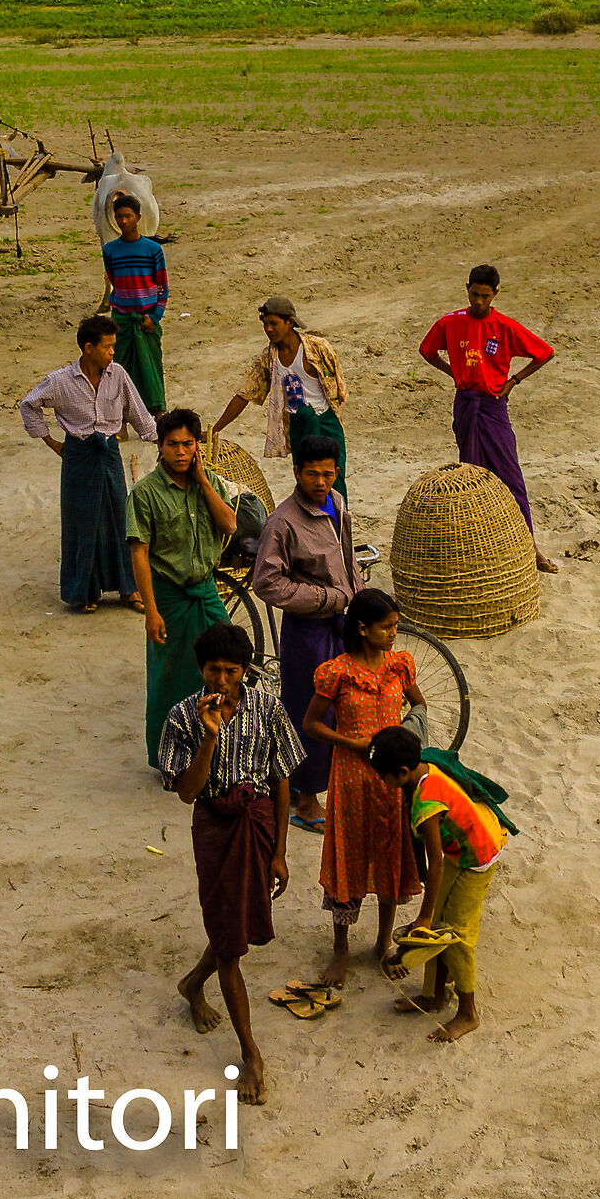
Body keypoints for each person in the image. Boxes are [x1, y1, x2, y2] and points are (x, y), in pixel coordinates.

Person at [161, 621, 303, 1109]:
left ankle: (192, 982)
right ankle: (251, 1054)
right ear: (200, 670)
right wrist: (208, 738)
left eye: (231, 671)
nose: (221, 680)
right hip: (214, 827)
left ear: (245, 671)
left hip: (259, 822)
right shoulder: (182, 717)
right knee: (229, 939)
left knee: (233, 924)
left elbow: (282, 778)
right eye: (213, 670)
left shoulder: (266, 706)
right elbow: (186, 792)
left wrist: (280, 851)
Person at [302, 588, 424, 988]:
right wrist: (354, 743)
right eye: (386, 627)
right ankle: (340, 950)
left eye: (394, 626)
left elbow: (419, 707)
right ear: (362, 628)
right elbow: (312, 725)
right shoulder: (337, 672)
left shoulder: (399, 667)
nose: (394, 633)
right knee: (349, 858)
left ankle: (382, 943)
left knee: (391, 854)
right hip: (351, 779)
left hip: (391, 782)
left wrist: (401, 740)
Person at [249, 434, 359, 832]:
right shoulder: (282, 523)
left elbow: (347, 557)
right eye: (311, 474)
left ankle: (330, 786)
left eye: (327, 475)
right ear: (296, 472)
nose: (320, 482)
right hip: (307, 630)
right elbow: (267, 583)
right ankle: (304, 800)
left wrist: (355, 598)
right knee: (309, 710)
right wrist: (323, 597)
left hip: (341, 622)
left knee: (345, 704)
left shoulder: (338, 504)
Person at [373, 727, 510, 1043]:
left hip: (477, 855)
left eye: (384, 777)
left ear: (403, 772)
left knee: (455, 933)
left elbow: (434, 862)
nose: (383, 782)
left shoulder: (425, 804)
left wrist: (424, 915)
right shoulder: (426, 763)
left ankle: (468, 1012)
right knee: (436, 926)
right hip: (466, 842)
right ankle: (434, 995)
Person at [418, 263, 556, 572]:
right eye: (473, 294)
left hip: (494, 406)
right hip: (466, 403)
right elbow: (427, 351)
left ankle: (530, 548)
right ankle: (477, 551)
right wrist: (452, 371)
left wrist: (513, 381)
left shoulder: (505, 326)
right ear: (466, 289)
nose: (478, 301)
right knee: (470, 476)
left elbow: (544, 353)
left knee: (510, 476)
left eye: (485, 296)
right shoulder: (450, 322)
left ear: (495, 294)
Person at [128, 408, 241, 768]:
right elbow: (140, 554)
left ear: (197, 447)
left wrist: (204, 482)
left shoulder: (207, 484)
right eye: (173, 444)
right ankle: (166, 756)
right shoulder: (144, 494)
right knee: (169, 678)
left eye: (188, 444)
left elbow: (229, 524)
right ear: (160, 447)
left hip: (206, 591)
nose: (181, 452)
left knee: (224, 667)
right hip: (169, 596)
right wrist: (151, 611)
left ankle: (215, 748)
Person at [21, 316, 156, 612]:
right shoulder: (59, 381)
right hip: (78, 458)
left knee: (122, 519)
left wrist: (163, 439)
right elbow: (28, 404)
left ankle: (128, 589)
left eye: (113, 347)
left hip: (109, 455)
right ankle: (85, 592)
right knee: (82, 523)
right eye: (107, 347)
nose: (112, 353)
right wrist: (52, 442)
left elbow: (139, 415)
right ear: (88, 348)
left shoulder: (118, 374)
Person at [212, 296, 348, 497]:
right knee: (309, 484)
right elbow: (243, 395)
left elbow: (338, 389)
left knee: (335, 481)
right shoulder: (268, 359)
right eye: (265, 325)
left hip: (327, 421)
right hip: (299, 425)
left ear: (290, 322)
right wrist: (215, 429)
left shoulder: (318, 348)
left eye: (273, 324)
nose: (269, 329)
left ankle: (339, 526)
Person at [101, 194, 169, 415]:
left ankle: (157, 413)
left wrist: (154, 316)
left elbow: (162, 287)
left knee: (151, 369)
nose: (123, 222)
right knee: (118, 368)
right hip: (120, 319)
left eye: (128, 216)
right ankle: (120, 419)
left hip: (146, 319)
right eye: (119, 217)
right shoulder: (110, 250)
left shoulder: (153, 250)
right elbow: (114, 280)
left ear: (138, 217)